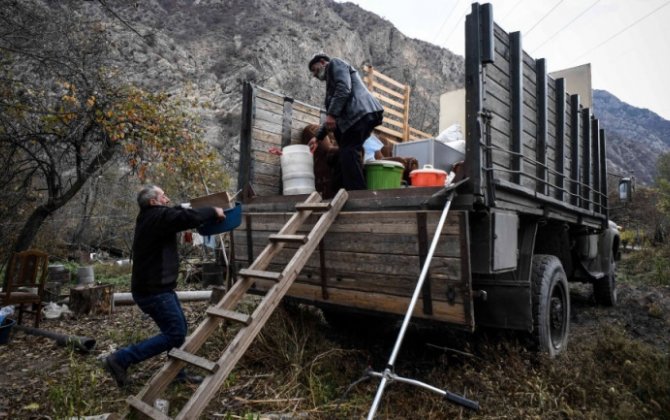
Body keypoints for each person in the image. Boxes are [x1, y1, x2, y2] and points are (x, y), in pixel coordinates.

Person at [103, 185, 225, 388]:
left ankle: (176, 374)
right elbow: (183, 218)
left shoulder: (151, 216)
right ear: (153, 202)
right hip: (154, 292)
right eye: (163, 196)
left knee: (179, 328)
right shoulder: (157, 217)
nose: (167, 199)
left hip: (157, 289)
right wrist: (213, 211)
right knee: (176, 333)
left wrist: (190, 206)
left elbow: (175, 211)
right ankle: (120, 359)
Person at [307, 53, 384, 191]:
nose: (314, 75)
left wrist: (331, 114)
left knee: (348, 150)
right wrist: (317, 138)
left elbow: (344, 89)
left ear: (323, 62)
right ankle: (338, 193)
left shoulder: (335, 63)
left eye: (314, 69)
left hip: (361, 113)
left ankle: (358, 194)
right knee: (344, 154)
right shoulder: (331, 86)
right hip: (356, 117)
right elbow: (332, 117)